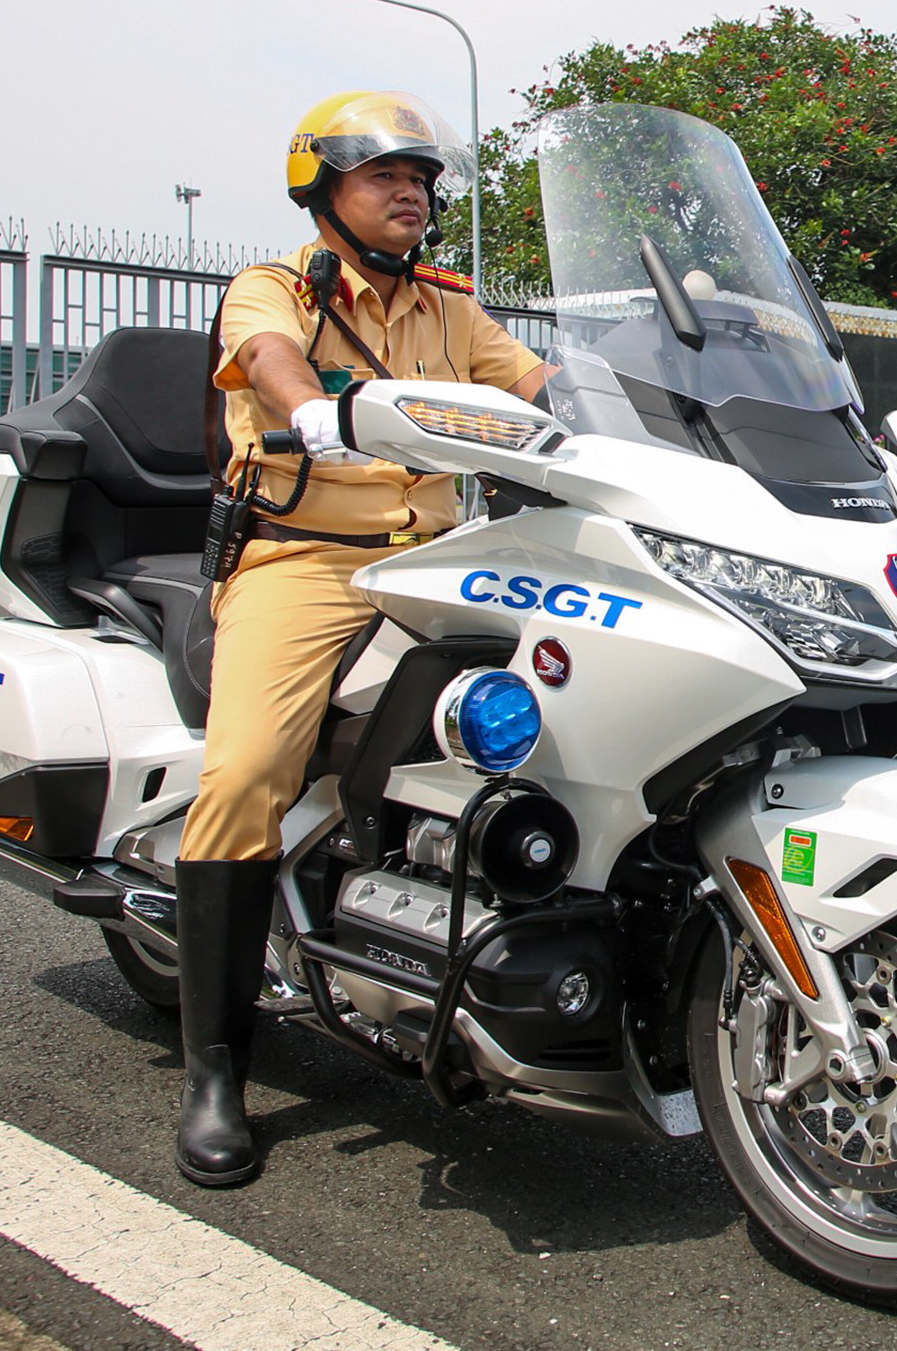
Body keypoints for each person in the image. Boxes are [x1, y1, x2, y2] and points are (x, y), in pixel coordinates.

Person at [172, 91, 551, 1187]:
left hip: (441, 560)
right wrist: (312, 410)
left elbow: (535, 380)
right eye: (385, 174)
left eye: (423, 180)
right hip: (305, 562)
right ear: (324, 188)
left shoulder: (448, 307)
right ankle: (215, 1071)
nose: (411, 195)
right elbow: (274, 362)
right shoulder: (272, 288)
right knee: (246, 773)